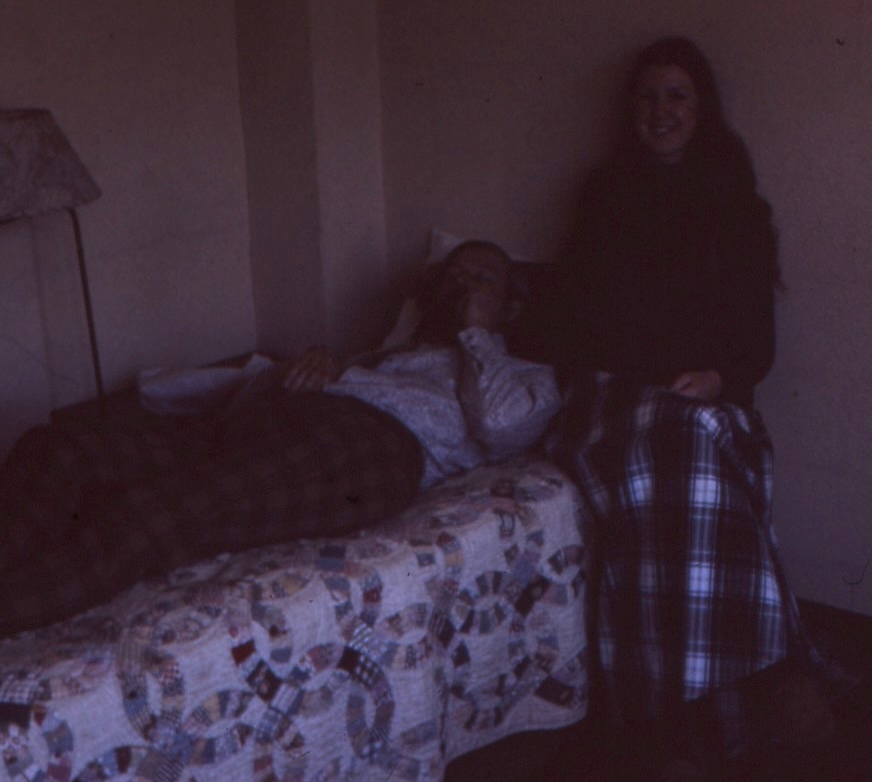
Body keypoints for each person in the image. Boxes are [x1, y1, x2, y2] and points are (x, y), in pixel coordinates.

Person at [523, 38, 836, 774]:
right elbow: (575, 316)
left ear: (702, 109)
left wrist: (721, 379)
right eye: (647, 97)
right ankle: (734, 698)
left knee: (697, 460)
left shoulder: (737, 204)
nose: (660, 112)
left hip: (703, 402)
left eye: (677, 96)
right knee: (679, 457)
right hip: (615, 399)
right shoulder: (604, 194)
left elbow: (756, 340)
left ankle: (701, 709)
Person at [0, 240, 560, 637]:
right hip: (279, 423)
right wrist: (304, 370)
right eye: (455, 275)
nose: (462, 284)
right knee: (60, 448)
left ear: (511, 306)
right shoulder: (387, 352)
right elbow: (242, 406)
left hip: (364, 447)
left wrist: (477, 331)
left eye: (482, 277)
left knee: (152, 511)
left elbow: (502, 426)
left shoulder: (526, 376)